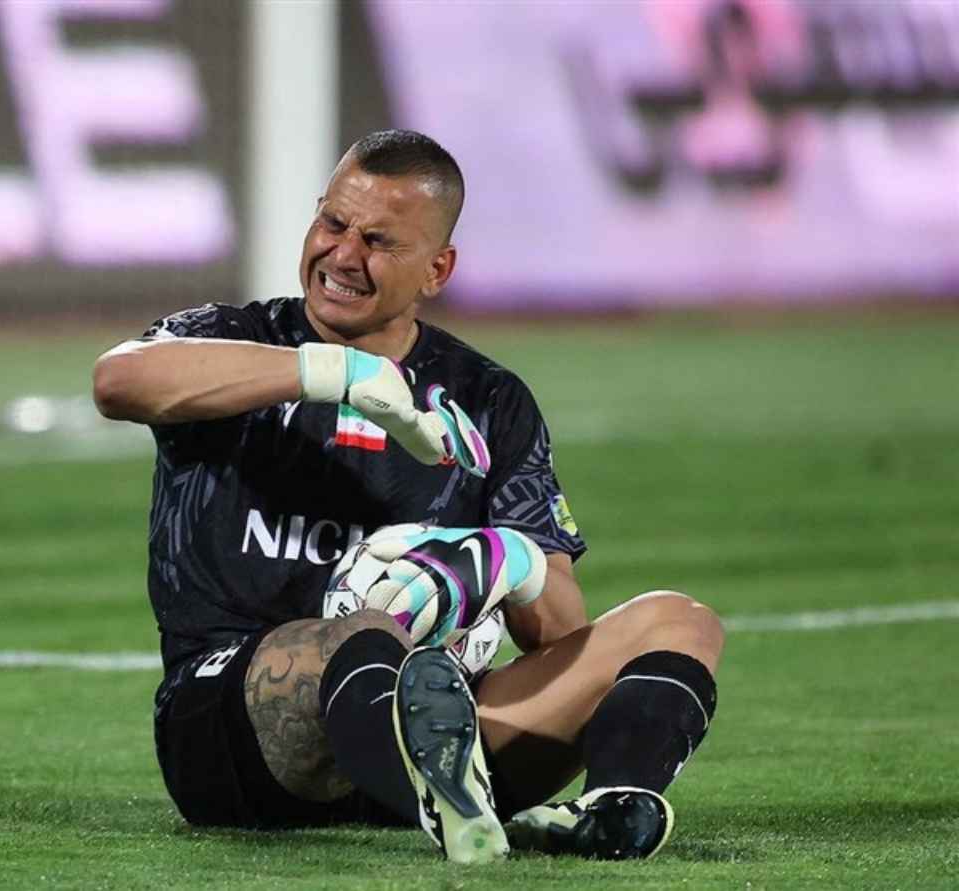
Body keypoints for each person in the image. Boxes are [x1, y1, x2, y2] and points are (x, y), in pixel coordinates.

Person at [93, 129, 724, 863]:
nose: (342, 255)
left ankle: (611, 810)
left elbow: (558, 632)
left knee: (678, 622)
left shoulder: (488, 401)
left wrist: (506, 560)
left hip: (440, 718)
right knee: (365, 634)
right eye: (333, 223)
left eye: (378, 242)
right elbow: (119, 380)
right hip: (232, 729)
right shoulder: (234, 339)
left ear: (436, 269)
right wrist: (339, 374)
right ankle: (445, 788)